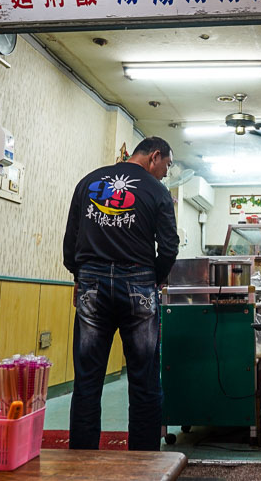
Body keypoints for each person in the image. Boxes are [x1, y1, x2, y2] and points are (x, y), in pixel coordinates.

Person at [63, 136, 179, 451]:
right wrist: (153, 279)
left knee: (87, 380)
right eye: (166, 166)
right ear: (155, 156)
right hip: (138, 285)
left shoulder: (87, 182)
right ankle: (143, 463)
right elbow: (169, 246)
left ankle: (82, 461)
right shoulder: (158, 192)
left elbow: (71, 238)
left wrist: (79, 275)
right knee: (144, 380)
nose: (165, 174)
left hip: (92, 285)